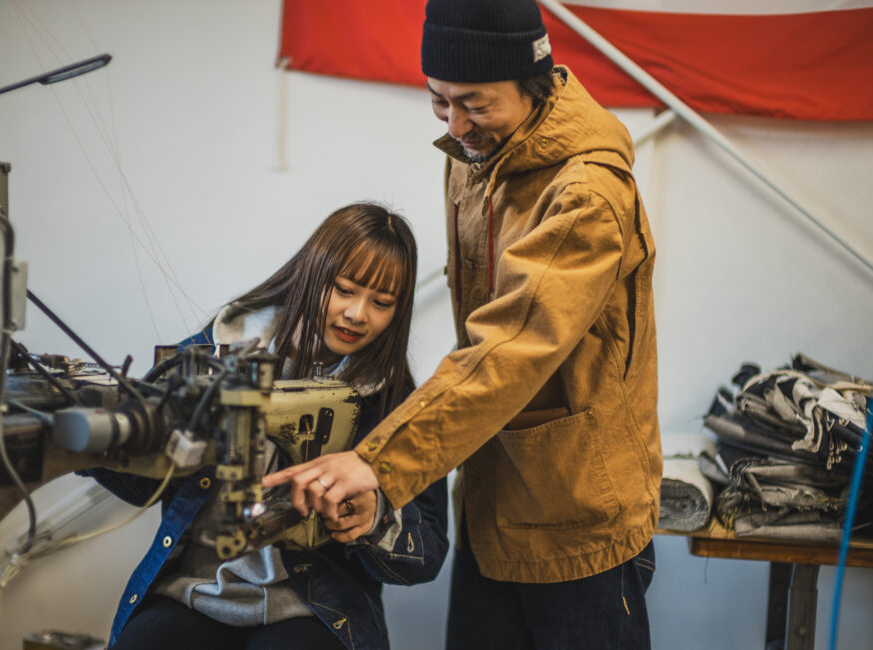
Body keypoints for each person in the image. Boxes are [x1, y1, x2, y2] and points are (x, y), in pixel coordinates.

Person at [264, 1, 661, 648]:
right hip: (491, 498)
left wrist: (378, 464)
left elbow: (508, 348)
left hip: (577, 518)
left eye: (473, 104)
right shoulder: (474, 156)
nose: (454, 125)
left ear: (533, 83)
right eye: (438, 101)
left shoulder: (587, 195)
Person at [90, 202, 449, 650]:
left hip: (313, 607)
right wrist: (96, 442)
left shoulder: (396, 404)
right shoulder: (220, 346)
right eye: (344, 290)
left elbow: (427, 554)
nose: (358, 314)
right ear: (313, 273)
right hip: (195, 590)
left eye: (382, 303)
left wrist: (373, 519)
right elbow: (143, 485)